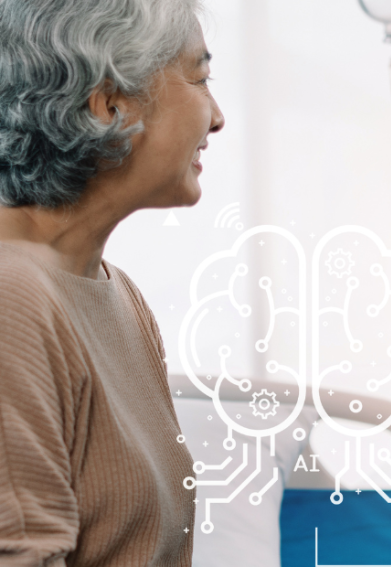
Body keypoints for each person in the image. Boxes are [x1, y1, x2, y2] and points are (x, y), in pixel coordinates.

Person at [0, 0, 224, 564]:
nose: (217, 116)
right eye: (199, 78)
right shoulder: (11, 299)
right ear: (109, 105)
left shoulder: (116, 293)